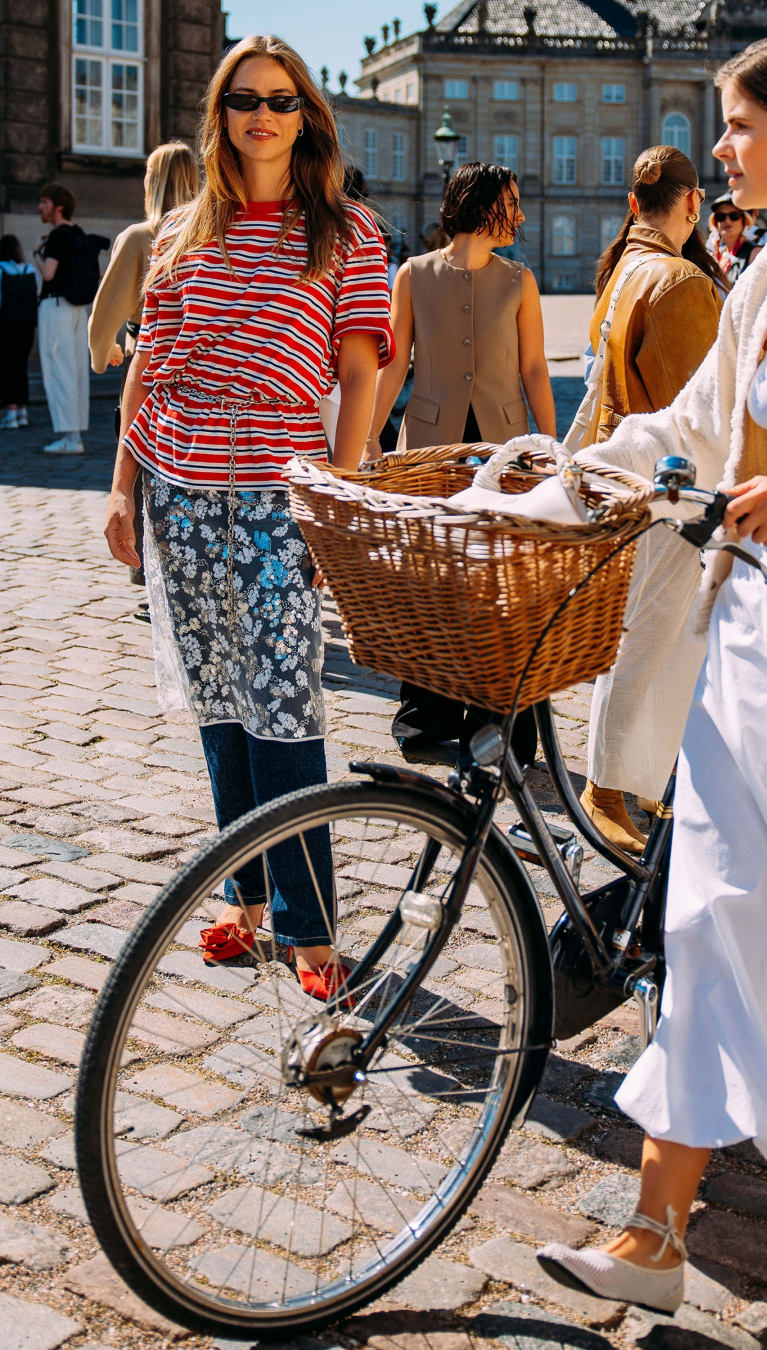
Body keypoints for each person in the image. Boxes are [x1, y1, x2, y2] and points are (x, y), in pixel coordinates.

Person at [536, 31, 767, 1309]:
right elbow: (688, 428)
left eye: (739, 126)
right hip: (751, 647)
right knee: (708, 918)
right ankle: (656, 1235)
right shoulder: (757, 276)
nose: (720, 150)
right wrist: (563, 467)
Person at [102, 33, 394, 1000]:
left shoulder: (346, 231)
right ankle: (249, 899)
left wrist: (335, 498)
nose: (260, 114)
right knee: (221, 701)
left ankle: (310, 928)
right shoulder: (186, 228)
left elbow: (361, 373)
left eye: (278, 98)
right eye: (242, 100)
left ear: (305, 114)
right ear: (220, 116)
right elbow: (152, 362)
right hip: (180, 492)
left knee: (283, 701)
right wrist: (122, 486)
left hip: (279, 496)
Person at [367, 162, 556, 764]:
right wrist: (370, 439)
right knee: (429, 580)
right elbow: (393, 364)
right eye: (514, 202)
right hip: (426, 446)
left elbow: (533, 369)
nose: (522, 214)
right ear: (482, 205)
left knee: (500, 586)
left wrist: (551, 448)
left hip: (501, 448)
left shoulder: (520, 280)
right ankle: (427, 717)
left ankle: (500, 724)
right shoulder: (413, 275)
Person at [567, 146, 723, 853]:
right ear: (691, 204)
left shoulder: (625, 271)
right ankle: (610, 788)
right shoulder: (681, 282)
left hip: (631, 486)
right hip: (672, 496)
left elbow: (602, 391)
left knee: (658, 644)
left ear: (635, 203)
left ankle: (647, 788)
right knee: (654, 644)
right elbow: (698, 414)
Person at [89, 142, 199, 608]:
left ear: (151, 183)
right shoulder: (207, 232)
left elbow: (102, 317)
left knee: (137, 472)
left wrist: (103, 354)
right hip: (198, 378)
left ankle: (148, 572)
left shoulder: (139, 236)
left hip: (147, 366)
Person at [33, 183, 107, 455]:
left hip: (55, 306)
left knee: (58, 369)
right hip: (78, 309)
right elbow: (98, 273)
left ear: (58, 206)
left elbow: (48, 274)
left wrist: (37, 255)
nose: (40, 207)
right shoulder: (79, 235)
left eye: (44, 202)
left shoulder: (57, 237)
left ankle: (71, 437)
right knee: (75, 371)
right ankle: (75, 433)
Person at [0, 236, 39, 430]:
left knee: (8, 369)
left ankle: (11, 413)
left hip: (7, 326)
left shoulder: (1, 269)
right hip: (27, 326)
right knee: (21, 367)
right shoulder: (29, 270)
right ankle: (22, 412)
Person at [706, 191, 755, 283]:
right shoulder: (715, 254)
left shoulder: (754, 252)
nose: (727, 221)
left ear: (744, 221)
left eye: (734, 216)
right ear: (715, 222)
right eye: (721, 216)